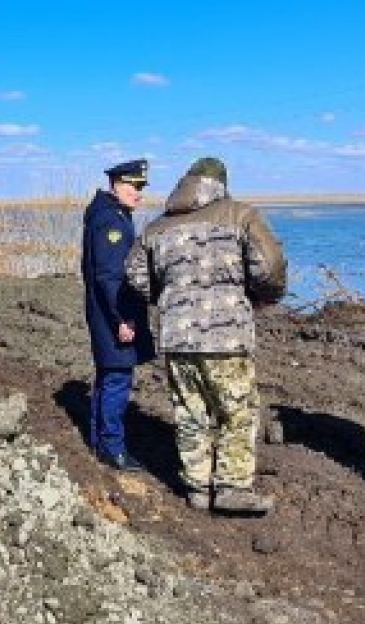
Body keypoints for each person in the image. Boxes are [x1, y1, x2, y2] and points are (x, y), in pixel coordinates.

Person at [125, 157, 287, 513]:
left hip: (176, 338)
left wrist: (170, 298)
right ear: (221, 185)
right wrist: (262, 297)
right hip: (226, 337)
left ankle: (197, 487)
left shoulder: (156, 227)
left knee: (190, 412)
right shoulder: (240, 216)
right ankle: (231, 487)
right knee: (238, 411)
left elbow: (135, 277)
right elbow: (270, 266)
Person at [81, 159, 156, 471]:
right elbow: (110, 276)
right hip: (112, 314)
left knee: (108, 375)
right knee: (117, 379)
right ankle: (113, 447)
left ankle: (99, 441)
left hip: (104, 312)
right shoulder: (111, 221)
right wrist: (121, 319)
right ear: (116, 184)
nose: (139, 193)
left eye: (141, 187)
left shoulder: (108, 214)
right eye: (134, 186)